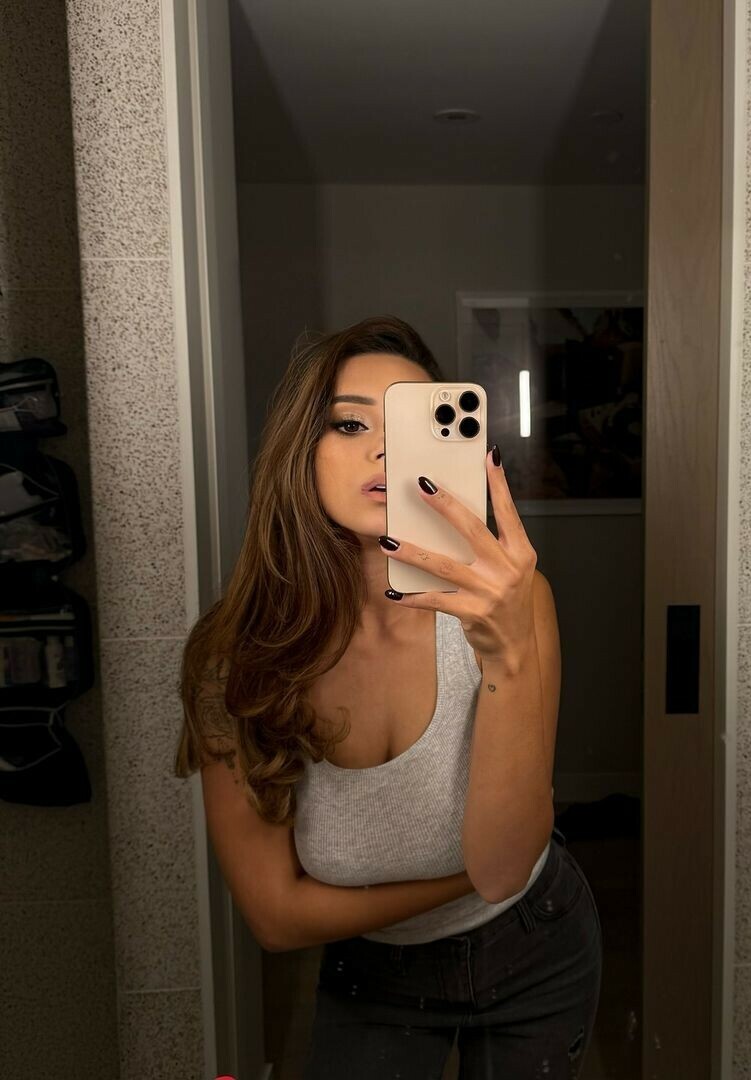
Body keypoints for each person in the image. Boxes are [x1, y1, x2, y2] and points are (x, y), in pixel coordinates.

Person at [174, 315, 603, 1078]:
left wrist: (508, 656)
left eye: (413, 425)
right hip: (371, 976)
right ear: (299, 452)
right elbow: (275, 916)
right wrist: (464, 879)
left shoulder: (515, 604)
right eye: (349, 424)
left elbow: (507, 870)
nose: (385, 450)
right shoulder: (234, 660)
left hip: (536, 945)